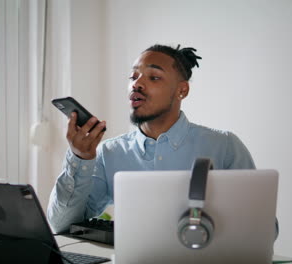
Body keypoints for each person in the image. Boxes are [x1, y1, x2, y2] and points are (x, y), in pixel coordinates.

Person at [47, 44, 255, 233]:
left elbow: (260, 230)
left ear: (182, 90)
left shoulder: (224, 147)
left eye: (153, 77)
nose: (137, 84)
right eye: (133, 76)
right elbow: (61, 225)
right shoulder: (109, 153)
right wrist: (80, 158)